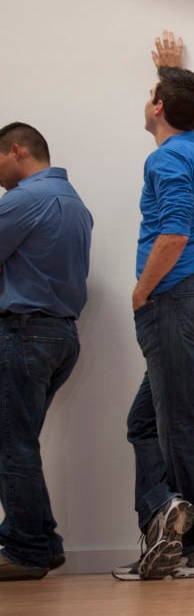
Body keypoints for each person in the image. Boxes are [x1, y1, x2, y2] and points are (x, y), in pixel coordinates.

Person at [113, 31, 194, 582]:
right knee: (145, 423)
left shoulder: (166, 161)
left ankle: (188, 545)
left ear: (158, 107)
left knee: (175, 424)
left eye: (152, 96)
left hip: (174, 302)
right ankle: (166, 518)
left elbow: (173, 235)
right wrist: (175, 71)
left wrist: (141, 291)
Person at [0, 123, 93, 581]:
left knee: (12, 443)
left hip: (24, 333)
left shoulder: (22, 200)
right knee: (21, 441)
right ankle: (44, 540)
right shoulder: (77, 205)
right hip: (60, 336)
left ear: (16, 150)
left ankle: (25, 550)